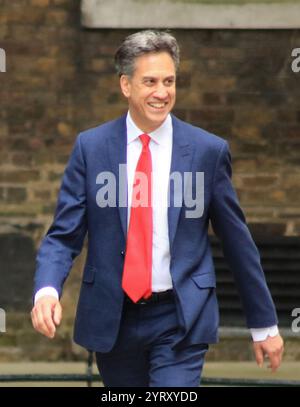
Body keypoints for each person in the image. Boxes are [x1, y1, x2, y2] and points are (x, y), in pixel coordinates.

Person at [31, 30, 284, 387]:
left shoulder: (206, 151)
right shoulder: (92, 148)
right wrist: (46, 291)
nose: (162, 92)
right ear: (126, 85)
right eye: (150, 81)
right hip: (113, 318)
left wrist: (264, 325)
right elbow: (64, 234)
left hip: (180, 317)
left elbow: (237, 242)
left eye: (169, 81)